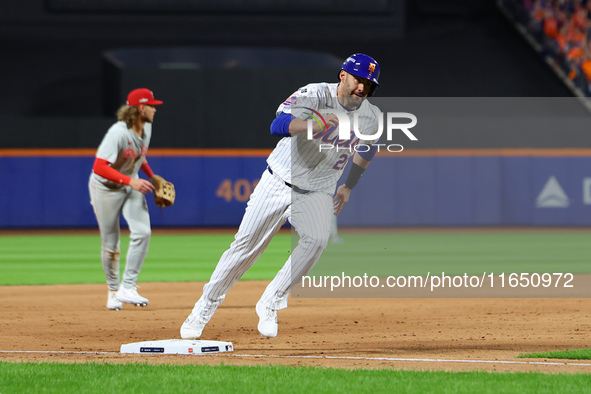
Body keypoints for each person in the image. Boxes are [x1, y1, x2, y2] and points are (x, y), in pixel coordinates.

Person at [181, 53, 382, 338]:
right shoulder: (315, 94)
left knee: (317, 239)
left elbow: (369, 149)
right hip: (278, 182)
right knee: (244, 250)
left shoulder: (371, 116)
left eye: (369, 84)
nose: (362, 88)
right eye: (358, 80)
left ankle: (271, 300)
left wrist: (349, 184)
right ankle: (204, 307)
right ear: (342, 76)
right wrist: (313, 125)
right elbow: (277, 125)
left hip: (318, 191)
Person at [89, 88, 165, 310]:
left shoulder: (147, 128)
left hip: (131, 182)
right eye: (152, 105)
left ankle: (128, 287)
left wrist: (152, 176)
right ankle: (113, 290)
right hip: (105, 188)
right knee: (111, 245)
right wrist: (131, 182)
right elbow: (99, 166)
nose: (154, 109)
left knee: (143, 232)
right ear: (141, 108)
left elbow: (139, 156)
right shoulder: (118, 133)